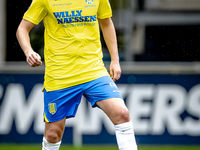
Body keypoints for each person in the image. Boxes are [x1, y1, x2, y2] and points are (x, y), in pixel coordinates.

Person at [16, 0, 137, 149]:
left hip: (93, 70)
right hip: (60, 75)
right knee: (53, 135)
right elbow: (22, 28)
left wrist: (115, 60)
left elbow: (106, 23)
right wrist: (29, 51)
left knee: (122, 114)